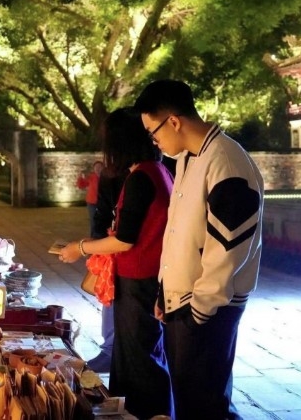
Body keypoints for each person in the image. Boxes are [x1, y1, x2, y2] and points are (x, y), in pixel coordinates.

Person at [135, 79, 265, 419]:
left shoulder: (226, 162)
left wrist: (199, 313)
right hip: (185, 302)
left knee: (205, 405)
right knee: (192, 401)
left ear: (174, 121)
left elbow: (227, 250)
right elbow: (182, 233)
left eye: (154, 132)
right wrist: (167, 291)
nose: (155, 141)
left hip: (207, 308)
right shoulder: (191, 159)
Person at [60, 108, 174, 419]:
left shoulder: (142, 177)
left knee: (140, 363)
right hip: (144, 278)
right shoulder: (156, 171)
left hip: (140, 280)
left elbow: (125, 239)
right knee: (134, 358)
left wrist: (79, 248)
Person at [85, 169, 126, 373]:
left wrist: (82, 248)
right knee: (108, 297)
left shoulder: (146, 174)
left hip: (129, 253)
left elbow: (125, 237)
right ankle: (109, 350)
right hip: (111, 248)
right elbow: (102, 213)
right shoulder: (110, 175)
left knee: (114, 299)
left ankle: (111, 352)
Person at [77, 160, 104, 237]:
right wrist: (80, 178)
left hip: (102, 202)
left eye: (100, 167)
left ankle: (101, 235)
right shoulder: (91, 177)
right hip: (92, 202)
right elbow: (81, 185)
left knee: (102, 219)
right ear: (94, 168)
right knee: (93, 219)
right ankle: (94, 236)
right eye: (96, 167)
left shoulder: (105, 177)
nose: (98, 169)